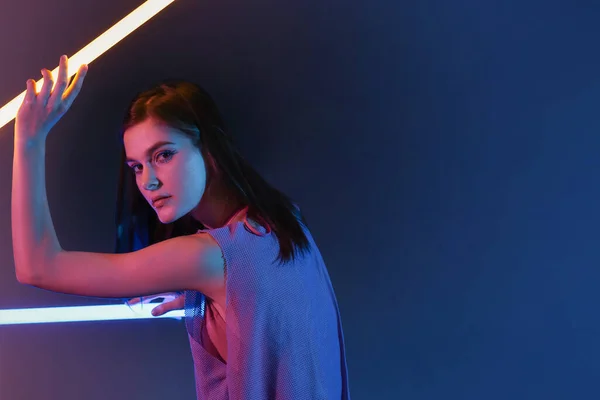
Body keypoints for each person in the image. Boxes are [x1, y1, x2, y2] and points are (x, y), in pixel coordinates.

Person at [12, 55, 350, 399]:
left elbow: (37, 267)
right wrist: (208, 303)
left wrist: (28, 140)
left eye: (163, 155)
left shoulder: (207, 257)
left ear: (210, 151)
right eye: (136, 166)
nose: (149, 182)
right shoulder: (281, 221)